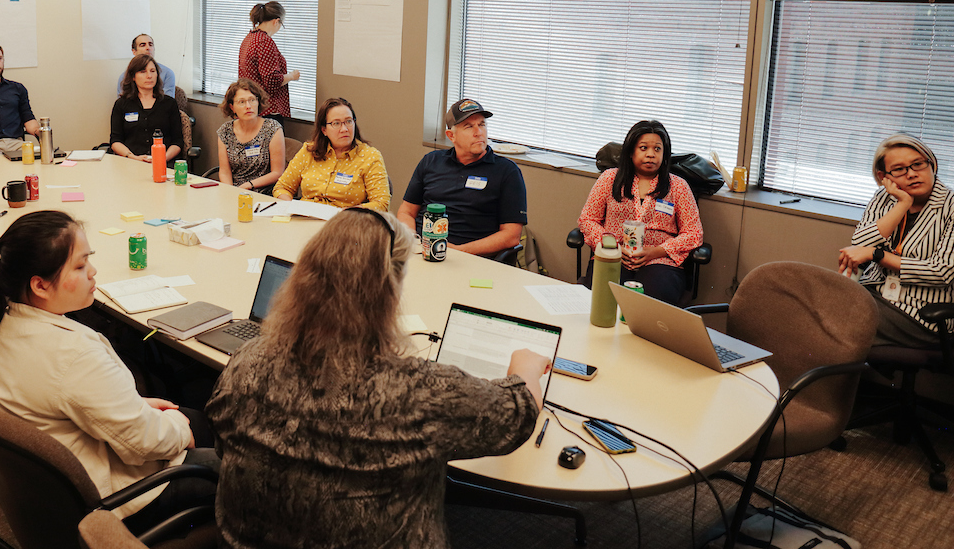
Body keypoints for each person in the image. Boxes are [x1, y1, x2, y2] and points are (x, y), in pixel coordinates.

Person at [206, 208, 547, 548]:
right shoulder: (418, 391)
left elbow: (224, 447)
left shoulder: (246, 362)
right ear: (391, 289)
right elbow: (516, 413)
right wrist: (525, 365)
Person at [0, 210, 217, 531]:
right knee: (249, 472)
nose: (93, 272)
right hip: (119, 499)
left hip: (58, 483)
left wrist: (134, 405)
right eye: (79, 266)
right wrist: (177, 428)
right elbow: (142, 445)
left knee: (200, 420)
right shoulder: (74, 352)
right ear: (40, 285)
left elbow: (63, 398)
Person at [839, 134, 954, 348]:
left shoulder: (951, 207)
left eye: (918, 164)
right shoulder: (883, 198)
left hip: (921, 314)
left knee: (834, 323)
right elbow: (859, 245)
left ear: (932, 164)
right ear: (884, 176)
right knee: (818, 306)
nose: (911, 174)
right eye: (900, 169)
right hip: (875, 295)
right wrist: (902, 204)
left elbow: (940, 272)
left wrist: (878, 255)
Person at [577, 119, 704, 304]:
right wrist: (613, 248)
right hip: (613, 255)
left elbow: (694, 233)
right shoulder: (609, 179)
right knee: (604, 297)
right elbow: (587, 220)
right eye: (643, 148)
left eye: (657, 149)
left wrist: (655, 252)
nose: (651, 155)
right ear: (631, 151)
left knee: (650, 301)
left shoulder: (678, 186)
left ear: (665, 154)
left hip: (660, 261)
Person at [397, 98, 527, 256]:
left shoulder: (507, 171)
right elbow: (406, 212)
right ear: (451, 136)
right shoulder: (431, 161)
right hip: (422, 251)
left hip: (473, 257)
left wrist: (457, 251)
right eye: (469, 126)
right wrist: (414, 242)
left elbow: (511, 236)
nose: (478, 132)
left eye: (481, 124)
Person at [272, 97, 389, 211]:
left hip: (344, 222)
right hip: (305, 217)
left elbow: (381, 203)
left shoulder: (370, 156)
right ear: (324, 130)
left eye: (348, 121)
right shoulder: (309, 151)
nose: (344, 129)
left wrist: (349, 213)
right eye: (336, 123)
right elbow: (282, 187)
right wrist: (291, 207)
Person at [109, 54, 183, 164]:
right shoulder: (121, 104)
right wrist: (132, 157)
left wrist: (163, 158)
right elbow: (115, 141)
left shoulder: (169, 103)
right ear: (133, 77)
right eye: (143, 72)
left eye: (153, 71)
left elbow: (177, 141)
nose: (149, 76)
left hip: (165, 163)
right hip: (131, 162)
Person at [216, 79, 285, 194]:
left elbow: (277, 172)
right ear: (232, 107)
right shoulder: (225, 131)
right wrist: (230, 192)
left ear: (258, 102)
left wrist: (249, 186)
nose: (248, 106)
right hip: (235, 190)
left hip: (264, 192)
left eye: (252, 100)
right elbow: (224, 172)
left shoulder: (272, 128)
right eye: (241, 102)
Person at [237, 1, 300, 125]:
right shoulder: (265, 42)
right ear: (276, 21)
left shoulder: (249, 38)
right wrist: (292, 76)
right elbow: (272, 81)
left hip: (252, 108)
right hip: (267, 111)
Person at [116, 34, 177, 101]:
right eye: (143, 45)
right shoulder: (124, 77)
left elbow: (168, 103)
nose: (148, 48)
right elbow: (123, 104)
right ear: (134, 51)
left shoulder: (167, 74)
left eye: (150, 45)